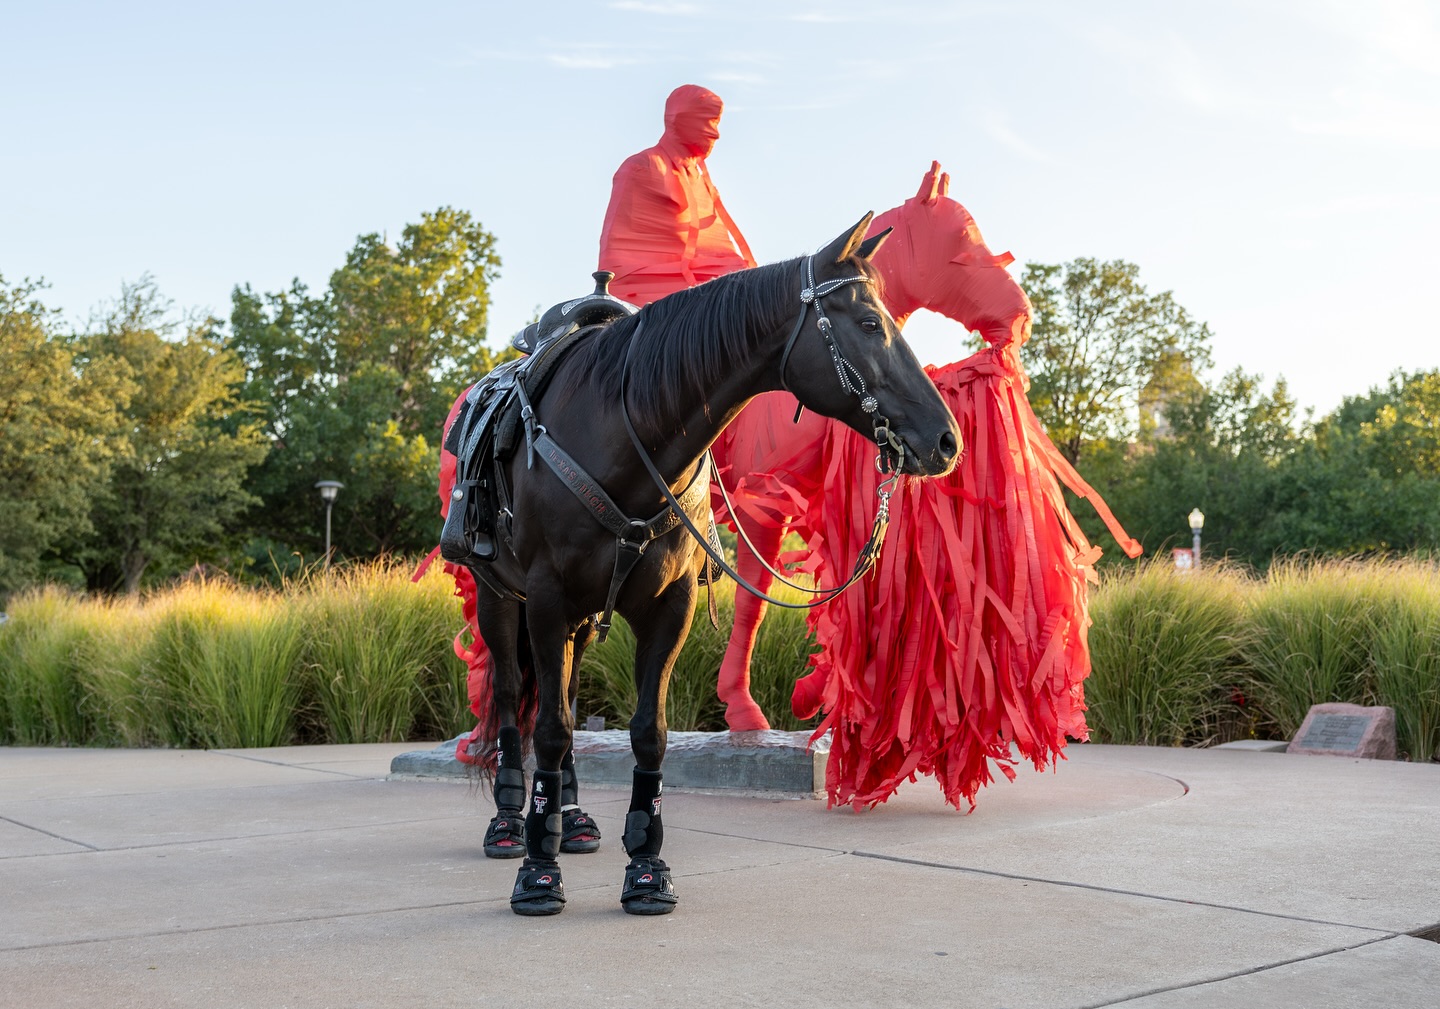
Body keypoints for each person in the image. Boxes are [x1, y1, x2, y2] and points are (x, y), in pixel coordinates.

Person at [597, 84, 755, 305]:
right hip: (654, 297)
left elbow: (721, 253)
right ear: (681, 119)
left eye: (716, 123)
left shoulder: (699, 180)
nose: (716, 134)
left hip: (707, 294)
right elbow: (619, 256)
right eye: (707, 122)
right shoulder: (643, 167)